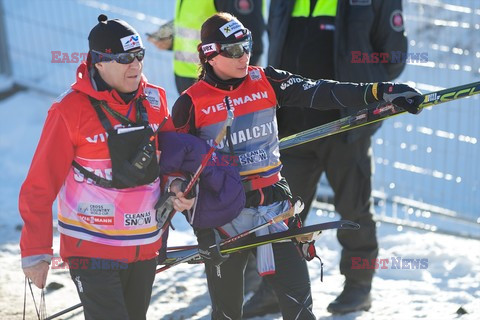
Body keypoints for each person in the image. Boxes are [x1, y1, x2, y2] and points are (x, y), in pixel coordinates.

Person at [171, 12, 421, 320]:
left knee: (301, 309)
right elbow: (174, 165)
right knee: (226, 313)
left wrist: (379, 91)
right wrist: (181, 195)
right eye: (234, 51)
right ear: (209, 55)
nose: (244, 56)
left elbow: (321, 91)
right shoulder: (190, 103)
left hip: (274, 209)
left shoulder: (265, 79)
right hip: (224, 218)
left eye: (247, 45)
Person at [18, 15, 196, 320]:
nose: (136, 65)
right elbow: (39, 184)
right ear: (99, 63)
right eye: (125, 58)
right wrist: (36, 250)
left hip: (144, 245)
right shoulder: (68, 110)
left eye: (139, 56)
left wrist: (177, 184)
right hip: (91, 251)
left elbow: (169, 161)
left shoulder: (155, 99)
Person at [243, 0, 409, 317]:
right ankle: (273, 289)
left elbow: (393, 57)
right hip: (292, 126)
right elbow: (272, 44)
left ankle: (358, 286)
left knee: (353, 208)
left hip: (347, 125)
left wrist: (365, 102)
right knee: (279, 214)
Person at [147, 0, 265, 94]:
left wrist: (243, 91)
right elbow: (200, 21)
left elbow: (247, 41)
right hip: (190, 79)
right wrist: (172, 40)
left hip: (218, 85)